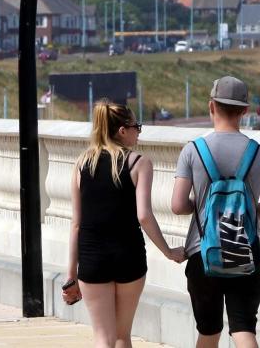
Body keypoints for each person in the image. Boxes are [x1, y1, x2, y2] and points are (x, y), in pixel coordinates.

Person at [171, 76, 260, 348]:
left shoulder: (193, 151)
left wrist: (203, 206)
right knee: (243, 329)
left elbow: (177, 205)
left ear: (211, 106)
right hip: (245, 252)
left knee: (209, 330)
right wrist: (244, 210)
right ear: (245, 111)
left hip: (202, 254)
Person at [63, 100, 185, 348]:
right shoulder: (139, 163)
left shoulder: (82, 164)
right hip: (128, 255)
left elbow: (76, 223)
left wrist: (70, 275)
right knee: (122, 335)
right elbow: (144, 216)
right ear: (122, 130)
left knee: (103, 338)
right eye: (136, 127)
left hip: (92, 257)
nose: (138, 132)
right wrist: (169, 252)